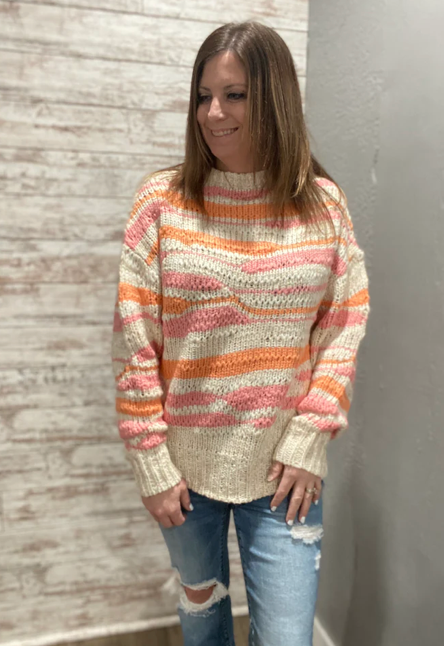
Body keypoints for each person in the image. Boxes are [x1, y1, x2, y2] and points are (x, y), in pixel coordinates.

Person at [111, 20, 370, 646]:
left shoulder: (323, 206)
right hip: (183, 472)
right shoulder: (162, 204)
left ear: (275, 98)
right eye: (203, 96)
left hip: (286, 473)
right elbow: (134, 343)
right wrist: (150, 461)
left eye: (235, 95)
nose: (213, 113)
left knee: (285, 637)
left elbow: (343, 325)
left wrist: (309, 437)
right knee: (202, 627)